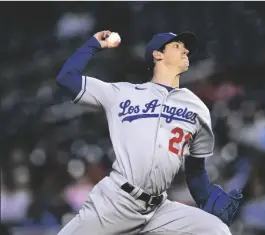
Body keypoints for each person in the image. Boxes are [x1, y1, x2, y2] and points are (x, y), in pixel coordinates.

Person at [56, 30, 242, 235]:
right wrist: (93, 44)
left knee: (216, 230)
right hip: (116, 202)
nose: (186, 51)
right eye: (178, 46)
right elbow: (67, 78)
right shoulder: (122, 93)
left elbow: (195, 170)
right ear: (157, 54)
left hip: (158, 210)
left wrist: (206, 200)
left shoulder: (197, 108)